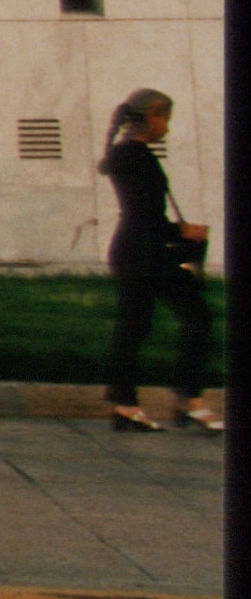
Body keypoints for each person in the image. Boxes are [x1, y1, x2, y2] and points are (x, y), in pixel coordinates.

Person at [100, 88, 218, 431]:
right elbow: (145, 215)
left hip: (139, 249)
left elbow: (144, 214)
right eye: (165, 119)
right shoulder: (136, 155)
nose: (166, 128)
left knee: (140, 325)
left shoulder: (127, 154)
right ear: (152, 117)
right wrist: (184, 232)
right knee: (187, 317)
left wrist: (177, 231)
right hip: (143, 252)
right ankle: (182, 401)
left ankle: (130, 405)